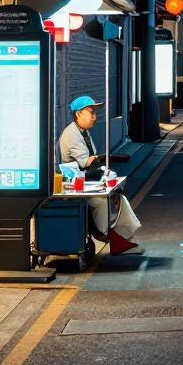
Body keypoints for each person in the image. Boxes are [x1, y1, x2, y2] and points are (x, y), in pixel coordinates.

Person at [58, 96, 143, 256]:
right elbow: (86, 163)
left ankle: (125, 241)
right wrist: (102, 161)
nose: (94, 117)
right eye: (91, 112)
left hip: (87, 180)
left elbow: (93, 159)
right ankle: (103, 234)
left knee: (119, 198)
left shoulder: (83, 133)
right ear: (78, 114)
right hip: (77, 184)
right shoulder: (72, 134)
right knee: (101, 200)